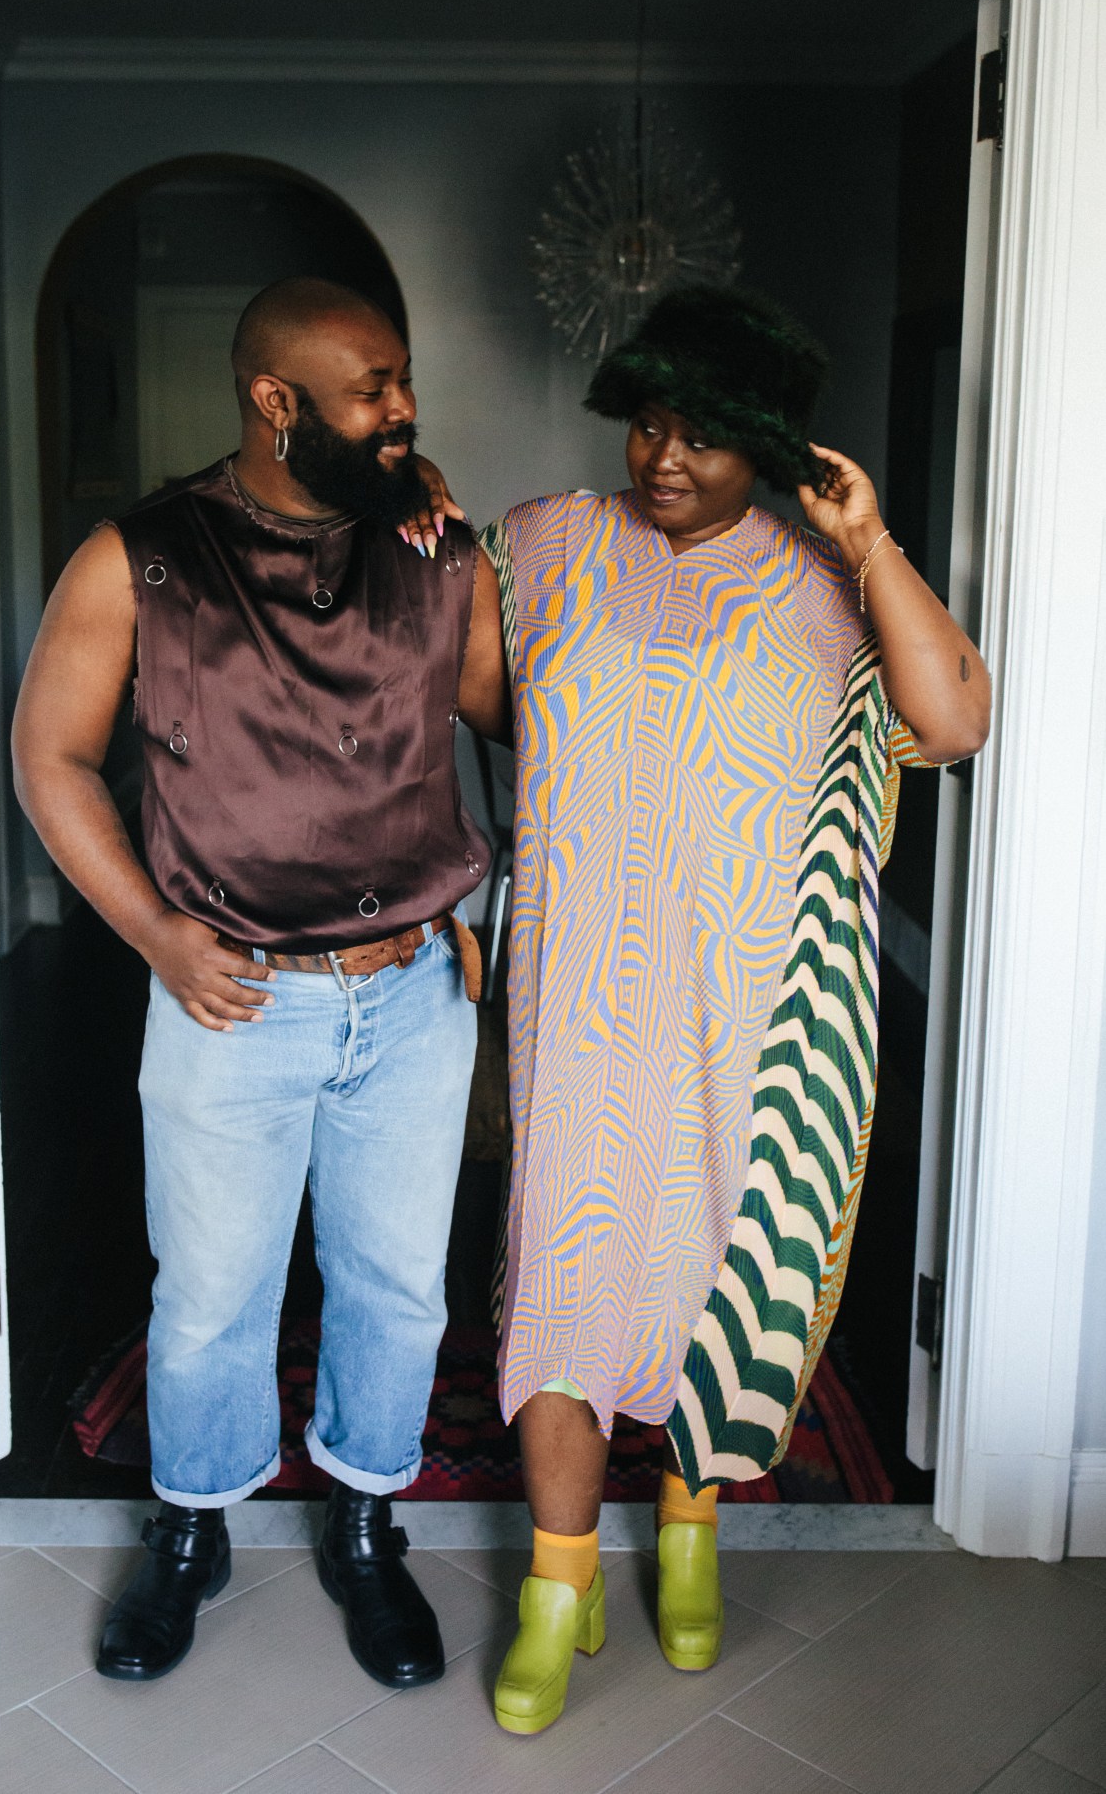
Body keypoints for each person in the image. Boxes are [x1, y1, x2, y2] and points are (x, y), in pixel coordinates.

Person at [407, 284, 990, 1735]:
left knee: (715, 1266)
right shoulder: (541, 544)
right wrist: (430, 557)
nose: (663, 454)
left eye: (703, 435)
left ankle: (684, 1536)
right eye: (648, 422)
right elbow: (479, 703)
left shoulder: (820, 582)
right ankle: (555, 1584)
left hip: (747, 1003)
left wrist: (867, 544)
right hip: (574, 992)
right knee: (555, 1264)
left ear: (765, 445)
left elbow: (954, 719)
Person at [12, 277, 508, 1687]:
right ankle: (191, 1531)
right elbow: (50, 758)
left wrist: (486, 560)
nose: (401, 407)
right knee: (214, 1296)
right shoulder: (142, 559)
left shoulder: (431, 545)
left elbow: (517, 720)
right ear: (273, 401)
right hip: (232, 996)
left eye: (403, 380)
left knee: (396, 1290)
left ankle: (362, 1525)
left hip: (410, 990)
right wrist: (158, 938)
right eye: (370, 388)